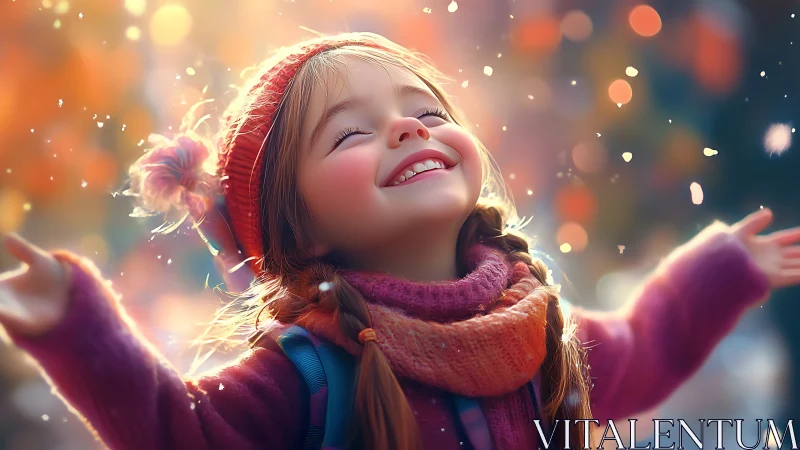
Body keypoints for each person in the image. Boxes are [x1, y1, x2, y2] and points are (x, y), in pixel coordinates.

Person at [1, 32, 798, 450]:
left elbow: (644, 345)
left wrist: (722, 269)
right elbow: (178, 430)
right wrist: (74, 323)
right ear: (299, 225)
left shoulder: (538, 327)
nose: (408, 128)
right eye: (351, 133)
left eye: (429, 111)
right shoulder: (307, 376)